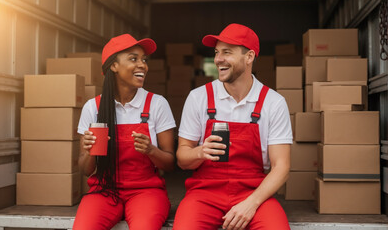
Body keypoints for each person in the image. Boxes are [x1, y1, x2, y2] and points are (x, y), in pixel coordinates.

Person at [173, 23, 292, 230]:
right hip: (204, 194)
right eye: (217, 52)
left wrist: (251, 204)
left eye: (227, 52)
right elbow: (182, 160)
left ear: (249, 57)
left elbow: (281, 167)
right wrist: (200, 152)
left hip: (254, 191)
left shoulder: (273, 102)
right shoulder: (199, 97)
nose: (218, 59)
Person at [73, 34, 176, 230]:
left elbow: (171, 164)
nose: (142, 65)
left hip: (146, 192)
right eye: (133, 58)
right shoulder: (92, 107)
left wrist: (151, 150)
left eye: (143, 60)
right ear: (114, 66)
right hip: (103, 190)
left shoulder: (157, 104)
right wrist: (89, 151)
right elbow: (86, 170)